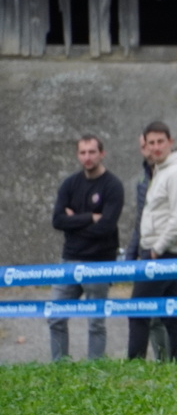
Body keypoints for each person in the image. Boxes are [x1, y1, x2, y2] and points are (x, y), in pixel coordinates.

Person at [48, 135, 124, 361]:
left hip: (99, 263)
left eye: (92, 152)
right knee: (55, 316)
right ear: (77, 155)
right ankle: (59, 366)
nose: (87, 157)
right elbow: (57, 221)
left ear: (102, 154)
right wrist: (90, 217)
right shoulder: (70, 184)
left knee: (96, 323)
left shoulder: (113, 186)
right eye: (83, 152)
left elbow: (106, 227)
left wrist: (73, 223)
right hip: (69, 260)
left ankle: (94, 369)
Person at [127, 121, 177, 362]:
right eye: (151, 143)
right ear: (145, 146)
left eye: (160, 142)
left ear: (171, 142)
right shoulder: (161, 171)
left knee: (138, 309)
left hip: (165, 251)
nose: (156, 147)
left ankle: (135, 363)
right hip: (161, 250)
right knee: (171, 310)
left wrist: (156, 249)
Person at [123, 133, 169, 361]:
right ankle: (160, 361)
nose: (150, 150)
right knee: (147, 312)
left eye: (154, 144)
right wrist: (130, 256)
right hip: (146, 253)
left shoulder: (171, 175)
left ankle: (165, 361)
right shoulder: (143, 181)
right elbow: (139, 223)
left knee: (157, 313)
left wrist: (158, 248)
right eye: (145, 146)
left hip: (165, 252)